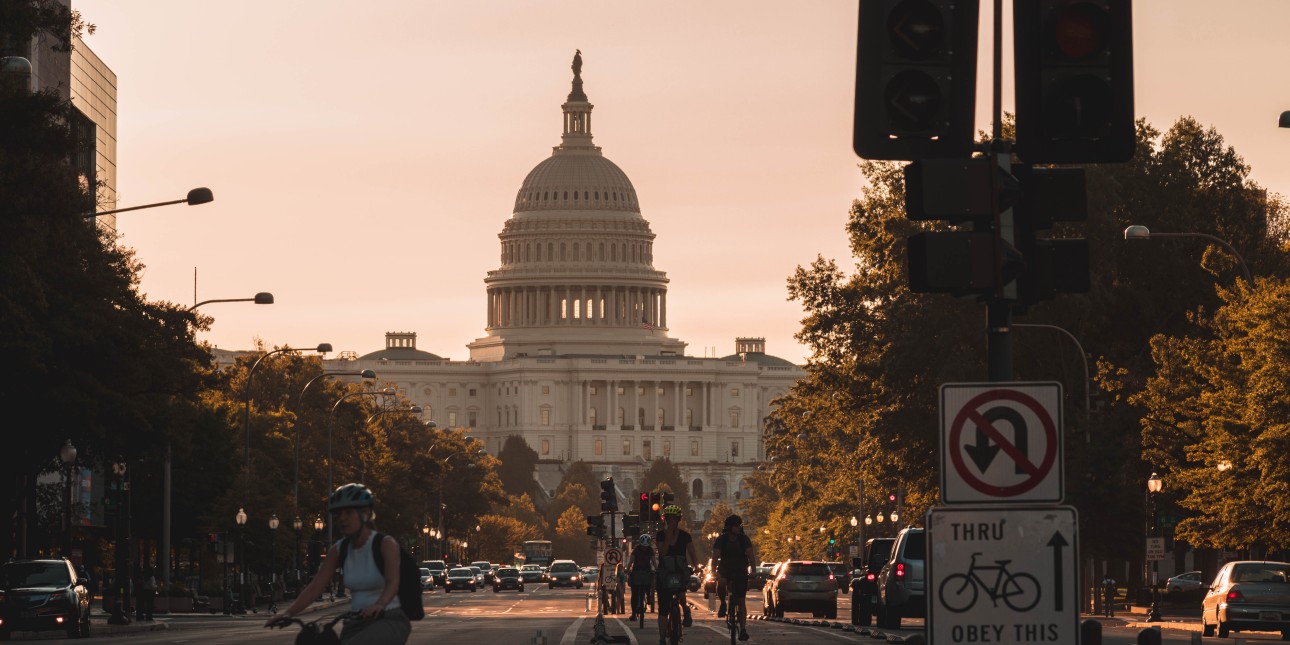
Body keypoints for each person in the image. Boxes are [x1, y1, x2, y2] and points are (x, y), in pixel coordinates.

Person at [265, 483, 411, 644]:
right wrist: (288, 613)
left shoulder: (384, 544)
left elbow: (393, 582)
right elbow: (316, 586)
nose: (342, 518)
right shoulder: (339, 549)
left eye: (348, 512)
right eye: (338, 514)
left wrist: (380, 604)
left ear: (366, 513)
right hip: (356, 622)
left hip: (389, 619)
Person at [655, 504, 698, 645]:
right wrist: (668, 536)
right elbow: (663, 553)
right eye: (669, 519)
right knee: (663, 609)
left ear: (678, 520)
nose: (671, 522)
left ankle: (686, 610)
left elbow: (692, 553)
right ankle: (662, 639)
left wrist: (697, 566)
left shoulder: (685, 536)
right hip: (665, 573)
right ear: (665, 520)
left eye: (674, 519)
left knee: (681, 594)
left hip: (679, 572)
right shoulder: (661, 535)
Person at [712, 514, 755, 641]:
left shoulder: (744, 539)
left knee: (741, 601)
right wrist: (714, 571)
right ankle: (723, 604)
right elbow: (715, 557)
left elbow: (751, 556)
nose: (738, 528)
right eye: (736, 526)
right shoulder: (721, 540)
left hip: (741, 570)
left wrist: (754, 571)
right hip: (725, 569)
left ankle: (743, 630)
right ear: (729, 527)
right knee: (721, 582)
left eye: (739, 526)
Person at [628, 534, 657, 621]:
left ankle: (648, 597)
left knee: (649, 581)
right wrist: (628, 568)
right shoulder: (637, 550)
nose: (644, 548)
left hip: (643, 571)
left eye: (646, 547)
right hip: (637, 571)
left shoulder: (642, 550)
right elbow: (631, 561)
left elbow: (654, 561)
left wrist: (656, 569)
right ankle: (634, 613)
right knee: (634, 594)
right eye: (643, 546)